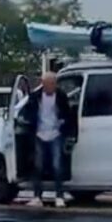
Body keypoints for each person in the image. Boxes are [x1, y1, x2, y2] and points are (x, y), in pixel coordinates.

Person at [19, 72, 75, 207]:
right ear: (43, 84)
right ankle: (37, 196)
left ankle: (59, 196)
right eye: (48, 84)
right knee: (38, 166)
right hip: (39, 134)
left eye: (53, 84)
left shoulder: (61, 96)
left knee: (57, 166)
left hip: (55, 134)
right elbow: (27, 113)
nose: (51, 87)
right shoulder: (35, 97)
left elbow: (68, 114)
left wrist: (64, 124)